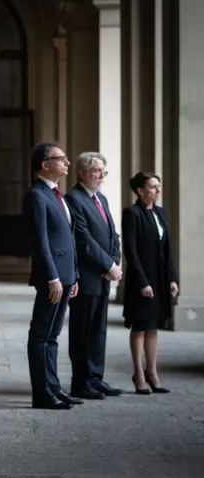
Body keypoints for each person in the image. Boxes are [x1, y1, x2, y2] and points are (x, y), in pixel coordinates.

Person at [24, 141, 80, 410]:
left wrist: (74, 275)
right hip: (52, 278)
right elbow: (40, 241)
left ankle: (54, 387)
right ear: (46, 165)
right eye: (61, 158)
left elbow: (68, 239)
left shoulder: (58, 195)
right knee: (41, 335)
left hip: (65, 275)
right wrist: (52, 277)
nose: (67, 163)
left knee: (53, 336)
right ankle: (42, 393)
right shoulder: (37, 195)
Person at [64, 152, 123, 399]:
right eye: (96, 171)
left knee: (98, 330)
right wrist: (108, 265)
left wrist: (115, 262)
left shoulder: (102, 198)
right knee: (83, 331)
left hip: (103, 276)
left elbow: (112, 235)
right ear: (81, 173)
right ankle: (81, 382)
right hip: (87, 277)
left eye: (103, 171)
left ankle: (96, 378)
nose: (101, 176)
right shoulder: (73, 199)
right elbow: (83, 240)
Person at [122, 172, 179, 394]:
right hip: (141, 278)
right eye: (153, 186)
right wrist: (142, 282)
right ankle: (138, 373)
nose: (158, 190)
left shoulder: (161, 213)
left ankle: (152, 373)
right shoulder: (132, 213)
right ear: (140, 191)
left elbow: (168, 250)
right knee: (140, 325)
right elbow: (131, 250)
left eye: (159, 186)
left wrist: (172, 278)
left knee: (153, 325)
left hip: (160, 277)